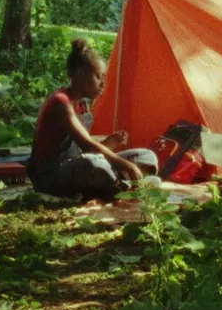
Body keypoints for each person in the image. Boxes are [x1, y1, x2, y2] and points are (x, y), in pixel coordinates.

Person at [26, 39, 158, 200]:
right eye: (98, 77)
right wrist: (126, 166)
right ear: (80, 73)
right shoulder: (60, 102)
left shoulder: (82, 105)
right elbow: (87, 146)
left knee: (146, 156)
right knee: (94, 165)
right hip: (50, 175)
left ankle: (120, 183)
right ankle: (124, 187)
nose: (103, 84)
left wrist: (109, 141)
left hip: (74, 164)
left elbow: (78, 146)